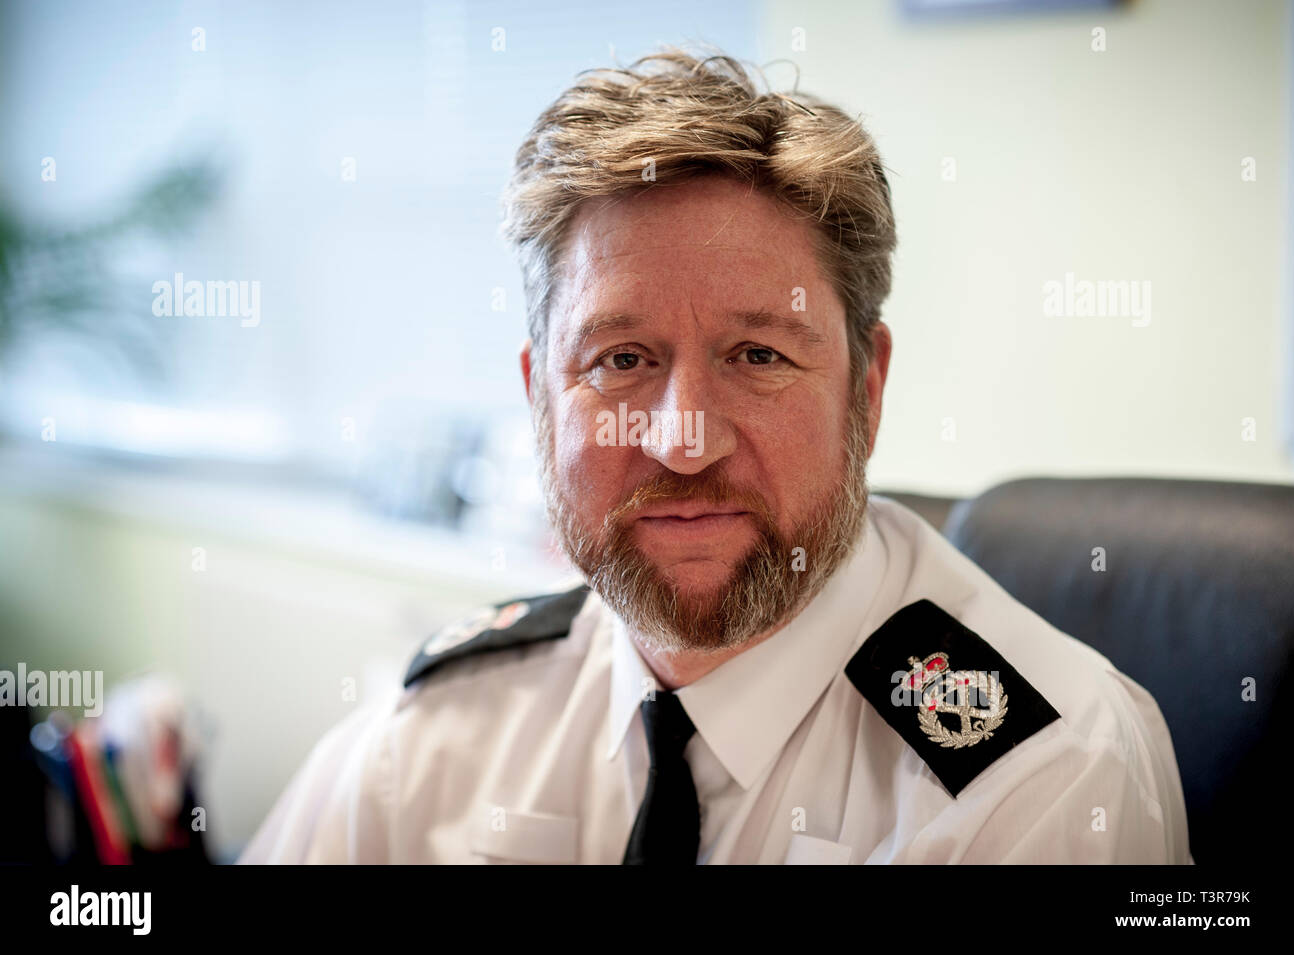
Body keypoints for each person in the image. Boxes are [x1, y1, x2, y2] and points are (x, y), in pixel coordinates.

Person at [240, 48, 1190, 865]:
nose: (682, 441)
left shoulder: (1042, 773)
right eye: (621, 360)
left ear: (867, 387)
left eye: (759, 356)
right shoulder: (448, 731)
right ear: (538, 397)